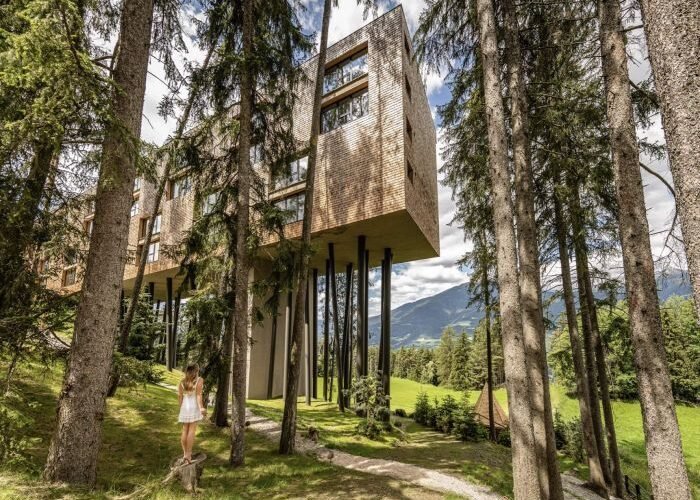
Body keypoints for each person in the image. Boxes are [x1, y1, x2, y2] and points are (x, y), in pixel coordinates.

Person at [178, 364, 206, 463]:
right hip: (193, 406)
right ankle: (188, 455)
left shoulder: (182, 381)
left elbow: (180, 396)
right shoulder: (199, 380)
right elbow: (199, 395)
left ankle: (185, 454)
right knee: (191, 431)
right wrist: (201, 407)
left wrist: (181, 408)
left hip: (185, 407)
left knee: (185, 430)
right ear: (196, 371)